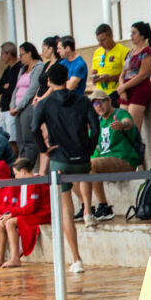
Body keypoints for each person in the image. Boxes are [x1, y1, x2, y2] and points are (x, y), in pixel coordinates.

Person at [31, 64, 99, 273]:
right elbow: (95, 128)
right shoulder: (82, 100)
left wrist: (45, 150)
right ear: (67, 78)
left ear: (49, 82)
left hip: (59, 159)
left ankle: (77, 259)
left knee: (66, 211)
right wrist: (88, 149)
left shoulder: (45, 103)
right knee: (82, 174)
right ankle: (88, 209)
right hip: (83, 158)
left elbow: (34, 129)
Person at [89, 89, 142, 221]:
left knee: (91, 164)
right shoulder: (98, 122)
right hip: (106, 161)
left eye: (101, 102)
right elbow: (90, 145)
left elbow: (128, 122)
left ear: (109, 101)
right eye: (95, 104)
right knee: (73, 169)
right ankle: (86, 208)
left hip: (124, 158)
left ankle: (104, 207)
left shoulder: (119, 113)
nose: (99, 106)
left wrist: (122, 125)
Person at [116, 22, 151, 134]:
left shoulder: (147, 51)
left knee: (133, 125)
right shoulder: (130, 52)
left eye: (134, 33)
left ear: (142, 35)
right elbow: (122, 73)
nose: (131, 36)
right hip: (126, 87)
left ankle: (136, 149)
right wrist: (121, 87)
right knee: (121, 121)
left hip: (139, 88)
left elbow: (143, 74)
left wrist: (124, 87)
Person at [10, 43, 44, 167]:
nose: (20, 58)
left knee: (28, 140)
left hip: (28, 107)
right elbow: (17, 88)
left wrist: (19, 107)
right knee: (20, 142)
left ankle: (27, 167)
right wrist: (12, 105)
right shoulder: (22, 69)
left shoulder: (39, 67)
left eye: (22, 54)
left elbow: (32, 88)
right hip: (18, 109)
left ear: (29, 53)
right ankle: (21, 167)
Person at [91, 24, 130, 107]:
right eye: (98, 41)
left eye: (103, 40)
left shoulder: (123, 51)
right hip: (99, 95)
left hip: (115, 94)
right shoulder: (97, 52)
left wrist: (110, 78)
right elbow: (94, 70)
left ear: (111, 35)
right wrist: (93, 78)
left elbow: (128, 74)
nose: (100, 43)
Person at [0, 42, 22, 157]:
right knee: (2, 137)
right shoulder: (7, 70)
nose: (1, 57)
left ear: (9, 54)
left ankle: (14, 163)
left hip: (13, 108)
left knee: (13, 138)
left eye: (2, 54)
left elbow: (13, 87)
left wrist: (6, 87)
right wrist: (4, 86)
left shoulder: (19, 68)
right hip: (4, 108)